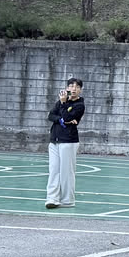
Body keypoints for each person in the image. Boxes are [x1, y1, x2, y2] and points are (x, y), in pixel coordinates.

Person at [45, 78, 84, 208]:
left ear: (80, 90)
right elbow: (51, 115)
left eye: (77, 87)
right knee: (53, 170)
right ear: (67, 88)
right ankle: (52, 198)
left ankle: (68, 200)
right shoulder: (62, 101)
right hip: (55, 140)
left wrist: (63, 105)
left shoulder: (79, 105)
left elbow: (68, 116)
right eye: (71, 86)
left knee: (67, 172)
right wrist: (61, 120)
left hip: (68, 141)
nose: (73, 89)